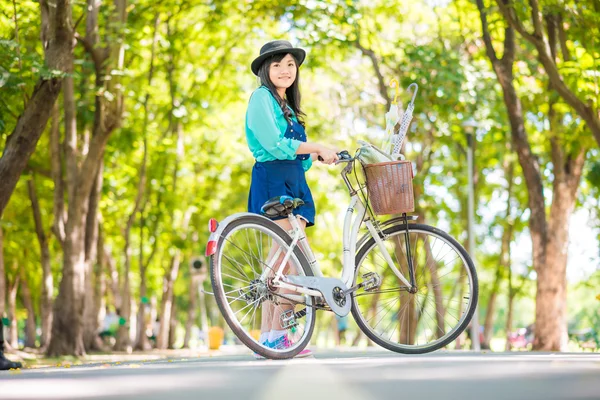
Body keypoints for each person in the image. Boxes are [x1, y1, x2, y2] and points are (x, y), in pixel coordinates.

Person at [246, 40, 339, 358]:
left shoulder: (286, 105)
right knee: (293, 258)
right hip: (273, 180)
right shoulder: (261, 98)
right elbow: (273, 144)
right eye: (277, 65)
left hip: (294, 181)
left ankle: (270, 338)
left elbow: (298, 154)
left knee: (282, 260)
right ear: (264, 70)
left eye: (290, 64)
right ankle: (277, 335)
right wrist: (316, 146)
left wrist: (320, 156)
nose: (285, 70)